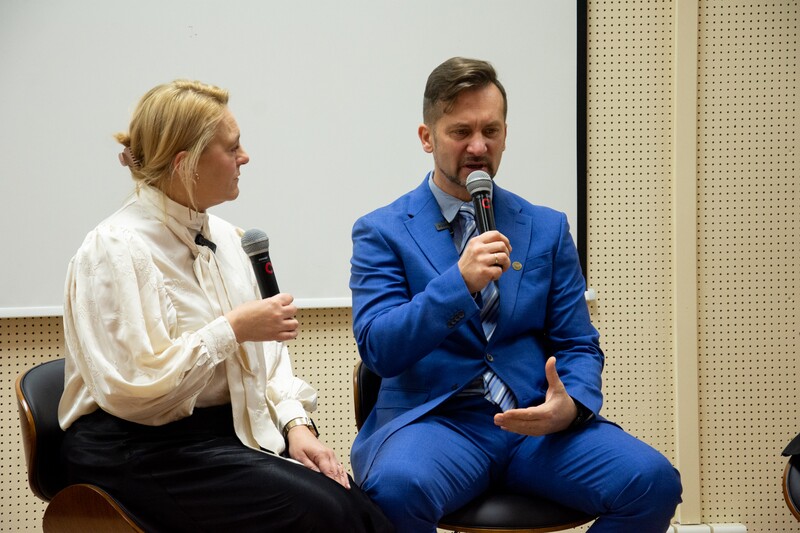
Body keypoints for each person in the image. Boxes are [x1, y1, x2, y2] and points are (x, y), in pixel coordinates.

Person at [349, 57, 682, 532]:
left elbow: (578, 343)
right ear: (427, 137)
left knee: (653, 481)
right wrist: (458, 284)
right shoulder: (381, 231)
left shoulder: (546, 227)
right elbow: (379, 348)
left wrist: (572, 404)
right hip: (438, 424)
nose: (478, 146)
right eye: (461, 131)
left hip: (535, 424)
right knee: (396, 489)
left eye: (491, 131)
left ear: (505, 134)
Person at [58, 79, 393, 533]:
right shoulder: (114, 249)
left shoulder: (229, 239)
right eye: (232, 147)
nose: (245, 157)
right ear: (186, 164)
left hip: (220, 434)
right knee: (327, 516)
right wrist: (231, 329)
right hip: (134, 446)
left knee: (360, 507)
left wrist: (295, 425)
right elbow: (135, 389)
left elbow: (268, 361)